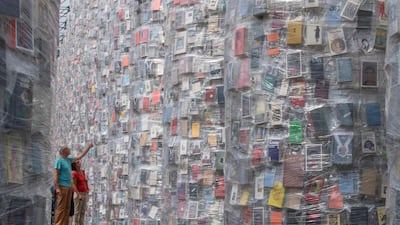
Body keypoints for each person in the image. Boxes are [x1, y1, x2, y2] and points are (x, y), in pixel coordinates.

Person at [53, 143, 94, 225]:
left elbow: (80, 156)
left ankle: (65, 223)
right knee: (61, 208)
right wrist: (57, 187)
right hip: (62, 186)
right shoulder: (59, 160)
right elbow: (56, 175)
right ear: (64, 151)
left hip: (68, 187)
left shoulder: (68, 160)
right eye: (68, 149)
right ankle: (58, 223)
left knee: (67, 208)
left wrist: (88, 147)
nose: (69, 150)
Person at [71, 160, 89, 225]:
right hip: (79, 193)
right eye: (77, 162)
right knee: (77, 211)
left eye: (79, 162)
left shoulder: (82, 171)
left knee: (83, 211)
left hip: (84, 193)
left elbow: (85, 181)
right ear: (75, 165)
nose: (79, 163)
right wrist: (78, 194)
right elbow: (73, 184)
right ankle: (75, 223)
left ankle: (81, 223)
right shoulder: (74, 173)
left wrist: (87, 189)